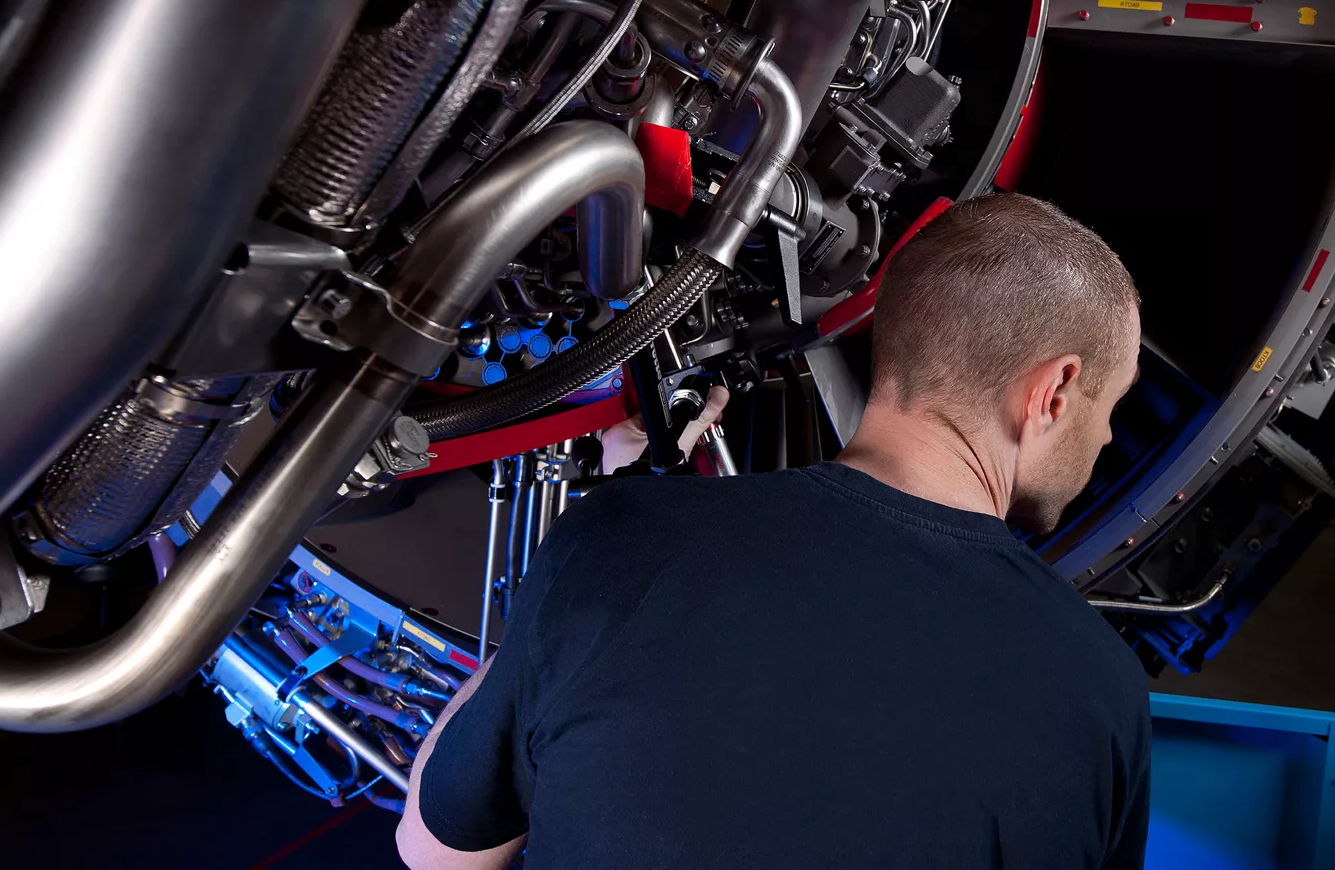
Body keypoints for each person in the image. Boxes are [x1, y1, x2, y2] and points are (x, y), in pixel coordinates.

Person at [397, 192, 1151, 869]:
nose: (1109, 437)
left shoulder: (619, 543)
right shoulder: (1102, 692)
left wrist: (555, 603)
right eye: (1108, 405)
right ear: (1052, 391)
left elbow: (434, 854)